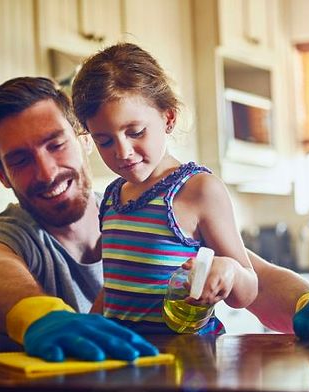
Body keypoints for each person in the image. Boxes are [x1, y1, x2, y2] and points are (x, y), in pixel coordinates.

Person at [0, 74, 309, 363]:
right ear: (1, 174)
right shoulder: (3, 236)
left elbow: (247, 271)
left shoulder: (136, 204)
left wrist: (307, 302)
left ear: (82, 141)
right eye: (20, 159)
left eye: (55, 144)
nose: (47, 172)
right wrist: (38, 317)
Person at [71, 42, 257, 334]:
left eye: (135, 132)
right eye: (104, 141)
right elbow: (115, 290)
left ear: (168, 118)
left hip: (186, 364)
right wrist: (87, 328)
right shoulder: (111, 197)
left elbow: (247, 291)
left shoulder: (198, 190)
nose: (123, 152)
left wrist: (230, 271)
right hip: (127, 362)